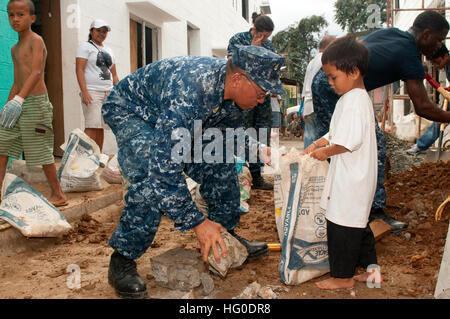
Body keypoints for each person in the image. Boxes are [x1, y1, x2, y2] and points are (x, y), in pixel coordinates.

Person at [102, 45, 286, 299]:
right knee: (150, 180)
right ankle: (122, 259)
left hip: (174, 120)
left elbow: (227, 136)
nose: (263, 99)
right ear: (237, 79)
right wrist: (197, 223)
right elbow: (163, 169)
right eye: (261, 91)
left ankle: (223, 239)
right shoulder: (191, 90)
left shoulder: (232, 97)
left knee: (219, 162)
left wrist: (259, 150)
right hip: (133, 112)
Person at [311, 10, 450, 233]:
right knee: (368, 146)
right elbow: (423, 107)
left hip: (328, 80)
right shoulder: (409, 53)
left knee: (344, 145)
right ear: (426, 34)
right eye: (439, 39)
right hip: (335, 86)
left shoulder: (396, 35)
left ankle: (341, 206)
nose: (439, 45)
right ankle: (370, 213)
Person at [304, 35, 380, 290]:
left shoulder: (355, 101)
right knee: (359, 225)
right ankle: (371, 272)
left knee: (341, 228)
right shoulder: (351, 98)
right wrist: (318, 143)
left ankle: (343, 276)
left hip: (352, 180)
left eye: (333, 77)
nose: (330, 82)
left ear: (354, 71)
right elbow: (336, 132)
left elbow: (349, 142)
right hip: (353, 178)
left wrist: (325, 152)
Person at [0, 0, 67, 207]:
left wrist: (20, 99)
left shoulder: (35, 40)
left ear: (32, 18)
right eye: (11, 15)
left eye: (20, 14)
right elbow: (18, 80)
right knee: (3, 144)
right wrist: (9, 103)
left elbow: (37, 72)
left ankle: (58, 194)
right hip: (19, 103)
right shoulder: (14, 48)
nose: (15, 19)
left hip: (36, 103)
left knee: (42, 150)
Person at [227, 12, 276, 190]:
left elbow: (272, 70)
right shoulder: (238, 40)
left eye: (267, 37)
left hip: (262, 96)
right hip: (243, 95)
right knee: (241, 132)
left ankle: (256, 176)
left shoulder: (269, 46)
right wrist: (252, 49)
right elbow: (232, 65)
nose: (264, 39)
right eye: (262, 35)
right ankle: (239, 176)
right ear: (254, 29)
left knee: (262, 132)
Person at [76, 19, 119, 152]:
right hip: (92, 91)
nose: (101, 34)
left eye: (104, 31)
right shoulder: (85, 47)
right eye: (98, 30)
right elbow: (79, 69)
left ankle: (96, 156)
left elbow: (114, 74)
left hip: (107, 92)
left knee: (101, 126)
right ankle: (82, 157)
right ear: (91, 31)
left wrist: (118, 92)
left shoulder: (109, 50)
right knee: (92, 125)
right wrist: (84, 91)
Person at [407, 44, 450, 155]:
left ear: (446, 56)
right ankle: (420, 145)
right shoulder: (446, 65)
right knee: (440, 117)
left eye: (437, 62)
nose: (436, 66)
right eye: (434, 63)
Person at [301, 35, 336, 149]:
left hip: (308, 105)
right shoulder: (326, 59)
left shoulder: (312, 62)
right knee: (323, 140)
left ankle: (306, 165)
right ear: (329, 46)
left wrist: (302, 108)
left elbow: (305, 85)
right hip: (319, 105)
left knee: (310, 142)